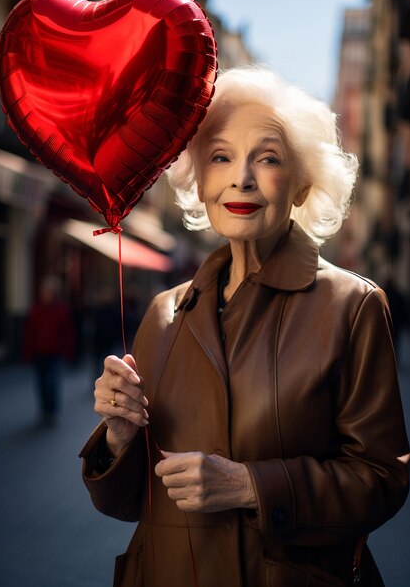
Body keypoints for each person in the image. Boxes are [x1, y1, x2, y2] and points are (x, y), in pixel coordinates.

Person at [80, 66, 409, 587]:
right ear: (200, 181)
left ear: (301, 185)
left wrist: (250, 486)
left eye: (269, 158)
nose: (242, 178)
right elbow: (133, 505)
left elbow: (384, 479)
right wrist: (120, 439)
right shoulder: (164, 313)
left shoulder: (352, 305)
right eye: (221, 157)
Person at [23, 275, 75, 427]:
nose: (46, 294)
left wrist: (67, 352)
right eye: (44, 291)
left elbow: (68, 333)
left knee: (52, 383)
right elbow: (29, 333)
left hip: (54, 354)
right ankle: (44, 411)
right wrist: (28, 353)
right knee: (40, 384)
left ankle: (52, 412)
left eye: (48, 291)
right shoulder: (35, 310)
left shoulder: (61, 310)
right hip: (39, 354)